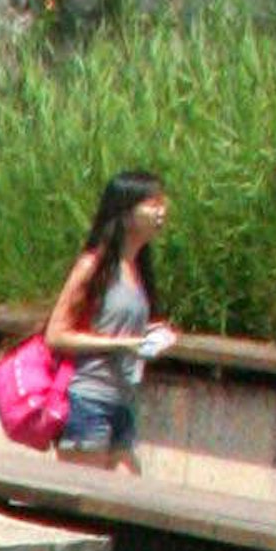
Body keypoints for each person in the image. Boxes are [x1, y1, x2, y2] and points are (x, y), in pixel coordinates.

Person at [42, 171, 177, 463]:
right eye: (152, 203)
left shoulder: (139, 270)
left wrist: (152, 334)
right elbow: (55, 335)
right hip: (87, 401)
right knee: (84, 503)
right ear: (126, 213)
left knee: (130, 500)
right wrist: (121, 344)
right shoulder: (94, 266)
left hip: (123, 403)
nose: (162, 210)